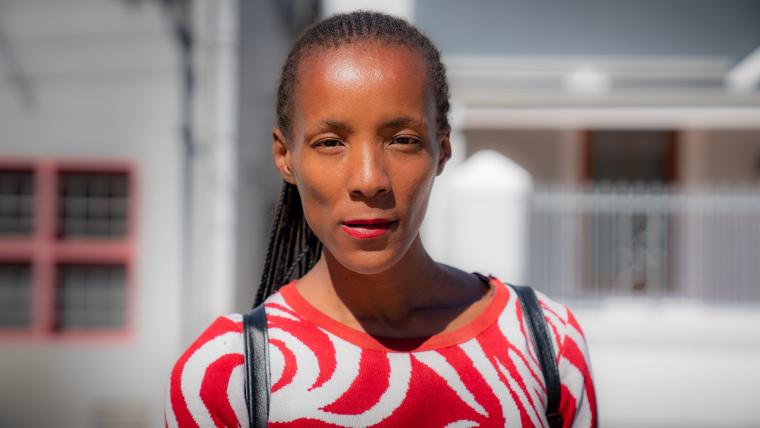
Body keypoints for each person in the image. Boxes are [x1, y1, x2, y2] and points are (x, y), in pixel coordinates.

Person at [166, 11, 597, 428]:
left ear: (442, 150)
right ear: (285, 157)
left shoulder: (545, 345)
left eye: (403, 140)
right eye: (331, 142)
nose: (370, 180)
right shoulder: (227, 378)